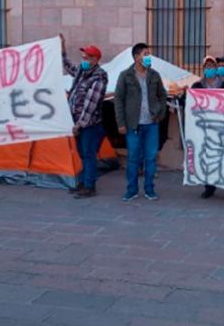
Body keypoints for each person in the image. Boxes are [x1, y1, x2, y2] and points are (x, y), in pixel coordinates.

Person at [115, 42, 167, 201]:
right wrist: (121, 123)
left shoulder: (154, 75)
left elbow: (162, 96)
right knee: (133, 158)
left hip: (151, 124)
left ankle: (150, 189)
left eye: (148, 54)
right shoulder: (125, 75)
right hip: (133, 125)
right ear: (137, 57)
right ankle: (132, 189)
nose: (148, 57)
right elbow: (119, 100)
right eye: (145, 54)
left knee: (151, 157)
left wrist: (160, 113)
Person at [60, 34, 108, 199]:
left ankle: (89, 186)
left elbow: (90, 105)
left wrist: (79, 124)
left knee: (88, 154)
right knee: (82, 153)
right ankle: (83, 183)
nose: (84, 60)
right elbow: (69, 67)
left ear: (95, 59)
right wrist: (62, 51)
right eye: (83, 57)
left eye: (87, 57)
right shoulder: (82, 70)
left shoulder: (99, 77)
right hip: (77, 122)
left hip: (89, 124)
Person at [193, 55, 224, 203]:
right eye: (207, 67)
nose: (210, 69)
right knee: (209, 157)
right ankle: (209, 187)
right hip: (206, 128)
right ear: (203, 69)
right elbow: (189, 102)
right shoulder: (197, 86)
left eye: (212, 66)